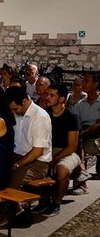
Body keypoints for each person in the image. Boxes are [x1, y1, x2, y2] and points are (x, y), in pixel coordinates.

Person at [31, 84, 81, 216]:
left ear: (61, 99)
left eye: (52, 95)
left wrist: (54, 158)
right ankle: (44, 198)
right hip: (50, 149)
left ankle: (57, 202)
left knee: (62, 168)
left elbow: (72, 146)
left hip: (69, 152)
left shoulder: (71, 117)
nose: (47, 97)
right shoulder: (45, 114)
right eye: (47, 94)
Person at [4, 86, 52, 189]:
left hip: (37, 163)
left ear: (24, 101)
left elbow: (38, 151)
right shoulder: (18, 113)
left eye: (15, 109)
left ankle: (8, 204)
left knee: (10, 182)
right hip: (18, 156)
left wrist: (17, 165)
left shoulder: (40, 117)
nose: (13, 112)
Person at [71, 72, 100, 195]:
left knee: (77, 145)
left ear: (96, 84)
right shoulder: (80, 104)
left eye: (86, 81)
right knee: (74, 145)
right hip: (83, 133)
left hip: (96, 137)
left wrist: (81, 134)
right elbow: (73, 121)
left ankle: (82, 183)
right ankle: (81, 177)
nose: (83, 84)